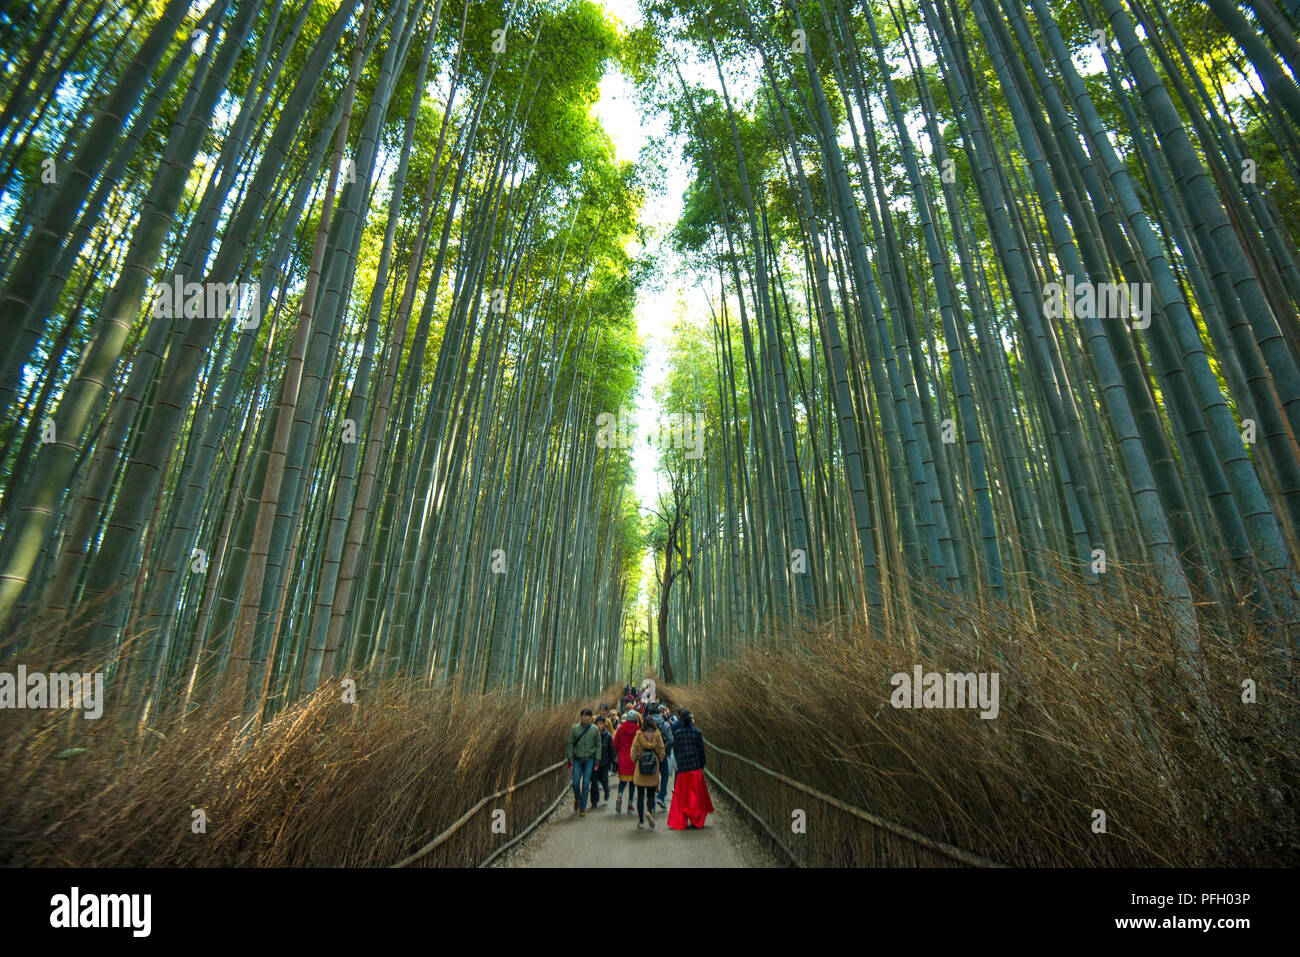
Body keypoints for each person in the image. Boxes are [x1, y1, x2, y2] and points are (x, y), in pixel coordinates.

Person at [666, 709, 713, 830]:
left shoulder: (678, 734)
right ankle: (696, 820)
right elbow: (701, 751)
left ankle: (682, 819)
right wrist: (702, 765)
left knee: (683, 796)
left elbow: (676, 751)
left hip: (683, 768)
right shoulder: (697, 733)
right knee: (696, 795)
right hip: (695, 767)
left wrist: (679, 763)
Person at [629, 717, 666, 829]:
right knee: (650, 795)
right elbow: (662, 751)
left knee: (640, 796)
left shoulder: (639, 735)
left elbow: (633, 753)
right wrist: (658, 760)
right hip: (653, 771)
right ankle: (649, 811)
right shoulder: (657, 735)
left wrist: (636, 760)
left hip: (640, 770)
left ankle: (641, 821)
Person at [566, 708, 600, 817]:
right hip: (577, 759)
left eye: (587, 716)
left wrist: (597, 760)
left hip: (589, 759)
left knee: (586, 784)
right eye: (583, 716)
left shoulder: (594, 730)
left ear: (590, 717)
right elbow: (570, 744)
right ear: (581, 717)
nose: (585, 718)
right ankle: (577, 799)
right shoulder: (575, 729)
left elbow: (598, 745)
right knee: (575, 783)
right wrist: (570, 758)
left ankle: (582, 807)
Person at [646, 703, 675, 810]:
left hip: (649, 754)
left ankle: (651, 799)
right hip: (662, 755)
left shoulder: (647, 724)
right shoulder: (665, 724)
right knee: (665, 773)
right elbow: (671, 740)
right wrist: (663, 749)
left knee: (651, 775)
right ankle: (661, 796)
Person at [613, 709, 641, 814]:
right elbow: (639, 745)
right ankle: (630, 805)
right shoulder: (638, 730)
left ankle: (619, 797)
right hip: (634, 759)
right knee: (633, 783)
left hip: (623, 758)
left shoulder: (620, 729)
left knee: (622, 781)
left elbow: (615, 744)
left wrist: (619, 753)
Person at [590, 715, 614, 809]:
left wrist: (613, 762)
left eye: (601, 724)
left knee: (604, 780)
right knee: (594, 782)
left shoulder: (608, 735)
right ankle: (594, 801)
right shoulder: (592, 735)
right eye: (597, 724)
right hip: (594, 762)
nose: (599, 726)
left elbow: (612, 749)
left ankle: (606, 789)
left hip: (604, 763)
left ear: (604, 724)